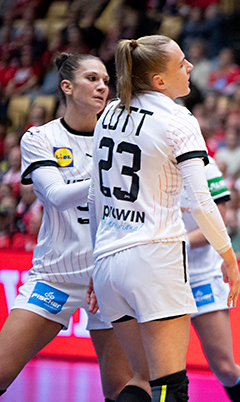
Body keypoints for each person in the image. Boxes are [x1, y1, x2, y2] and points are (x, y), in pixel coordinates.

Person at [88, 35, 240, 402]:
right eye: (181, 63)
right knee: (169, 386)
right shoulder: (177, 118)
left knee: (140, 380)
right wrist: (229, 258)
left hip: (109, 261)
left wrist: (95, 263)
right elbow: (203, 202)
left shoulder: (108, 113)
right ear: (159, 81)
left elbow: (96, 197)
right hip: (155, 257)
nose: (189, 68)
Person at [0, 53, 131, 401]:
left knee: (121, 389)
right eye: (92, 78)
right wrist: (105, 176)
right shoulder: (39, 138)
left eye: (106, 80)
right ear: (67, 87)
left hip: (108, 277)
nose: (102, 86)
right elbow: (56, 196)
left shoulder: (121, 140)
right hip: (57, 274)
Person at [180, 156, 240, 401]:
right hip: (163, 274)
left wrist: (177, 242)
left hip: (201, 276)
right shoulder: (148, 158)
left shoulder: (205, 165)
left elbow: (218, 221)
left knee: (225, 368)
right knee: (157, 371)